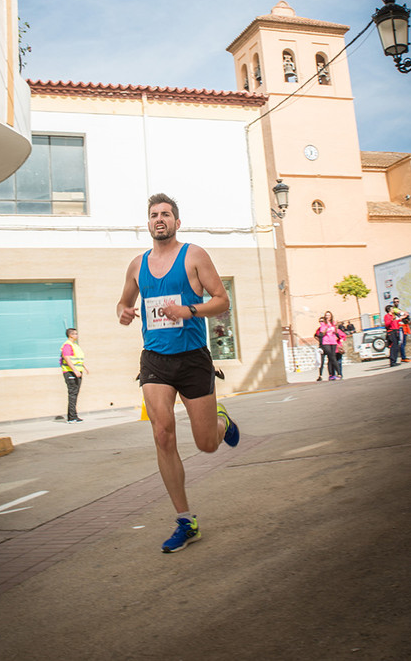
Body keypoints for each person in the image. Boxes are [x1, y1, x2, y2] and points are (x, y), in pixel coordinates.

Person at [117, 193, 239, 553]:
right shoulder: (137, 265)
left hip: (192, 359)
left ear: (177, 222)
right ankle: (186, 521)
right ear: (148, 222)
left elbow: (222, 300)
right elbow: (124, 302)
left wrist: (189, 310)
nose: (159, 219)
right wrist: (123, 312)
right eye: (154, 214)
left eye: (166, 214)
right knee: (162, 434)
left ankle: (222, 422)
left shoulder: (194, 255)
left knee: (206, 444)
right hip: (155, 360)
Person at [60, 327, 89, 422]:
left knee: (75, 394)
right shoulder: (67, 345)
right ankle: (71, 417)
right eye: (75, 334)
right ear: (70, 335)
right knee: (72, 394)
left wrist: (84, 367)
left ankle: (74, 415)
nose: (77, 335)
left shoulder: (75, 345)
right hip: (70, 372)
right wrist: (75, 370)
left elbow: (78, 358)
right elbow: (67, 359)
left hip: (77, 371)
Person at [317, 311, 345, 380]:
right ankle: (334, 374)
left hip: (333, 342)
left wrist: (339, 338)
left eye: (329, 315)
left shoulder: (333, 323)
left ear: (331, 316)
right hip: (326, 342)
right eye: (326, 315)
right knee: (331, 356)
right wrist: (326, 328)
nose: (327, 316)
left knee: (332, 357)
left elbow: (335, 332)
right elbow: (321, 334)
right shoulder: (323, 324)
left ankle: (337, 374)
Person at [391, 297, 411, 362]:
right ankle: (403, 357)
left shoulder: (398, 309)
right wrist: (405, 314)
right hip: (399, 327)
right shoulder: (394, 309)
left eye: (397, 301)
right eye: (395, 302)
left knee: (403, 343)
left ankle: (403, 356)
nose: (396, 303)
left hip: (403, 327)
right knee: (401, 343)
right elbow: (403, 313)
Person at [314, 317, 326, 381]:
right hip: (321, 347)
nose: (321, 322)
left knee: (331, 360)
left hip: (328, 346)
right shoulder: (318, 329)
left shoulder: (327, 328)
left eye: (322, 321)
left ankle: (333, 374)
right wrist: (320, 341)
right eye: (320, 321)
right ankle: (320, 375)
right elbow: (315, 335)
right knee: (321, 361)